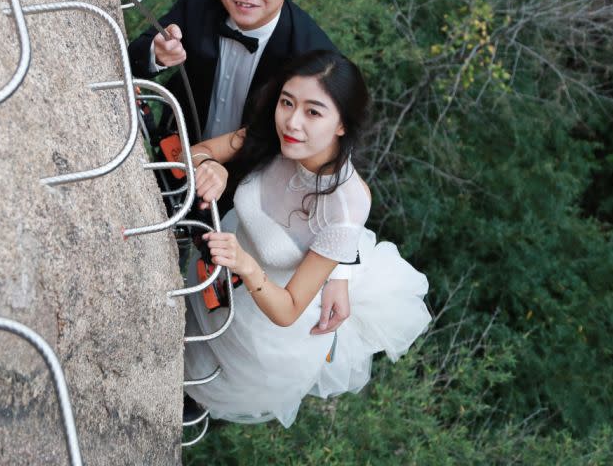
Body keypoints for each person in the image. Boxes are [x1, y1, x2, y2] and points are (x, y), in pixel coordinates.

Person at [128, 0, 350, 335]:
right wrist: (157, 53)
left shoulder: (312, 56)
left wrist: (339, 270)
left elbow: (334, 161)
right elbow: (135, 55)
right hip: (177, 145)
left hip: (246, 193)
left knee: (210, 307)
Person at [183, 50, 431, 427]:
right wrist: (210, 165)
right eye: (287, 102)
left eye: (313, 112)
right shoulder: (273, 137)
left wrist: (246, 265)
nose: (292, 122)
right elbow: (198, 152)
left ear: (342, 124)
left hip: (261, 319)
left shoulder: (344, 208)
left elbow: (289, 309)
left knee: (195, 380)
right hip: (216, 262)